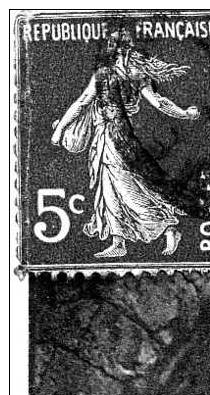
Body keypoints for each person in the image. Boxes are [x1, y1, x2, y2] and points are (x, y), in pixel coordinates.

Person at [51, 29, 199, 260]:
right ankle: (118, 241)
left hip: (117, 135)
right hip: (104, 134)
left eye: (123, 48)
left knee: (126, 187)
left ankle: (167, 225)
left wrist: (184, 114)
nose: (122, 52)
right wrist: (60, 129)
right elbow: (82, 102)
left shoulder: (129, 74)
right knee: (109, 189)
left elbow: (158, 102)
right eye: (121, 48)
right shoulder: (107, 75)